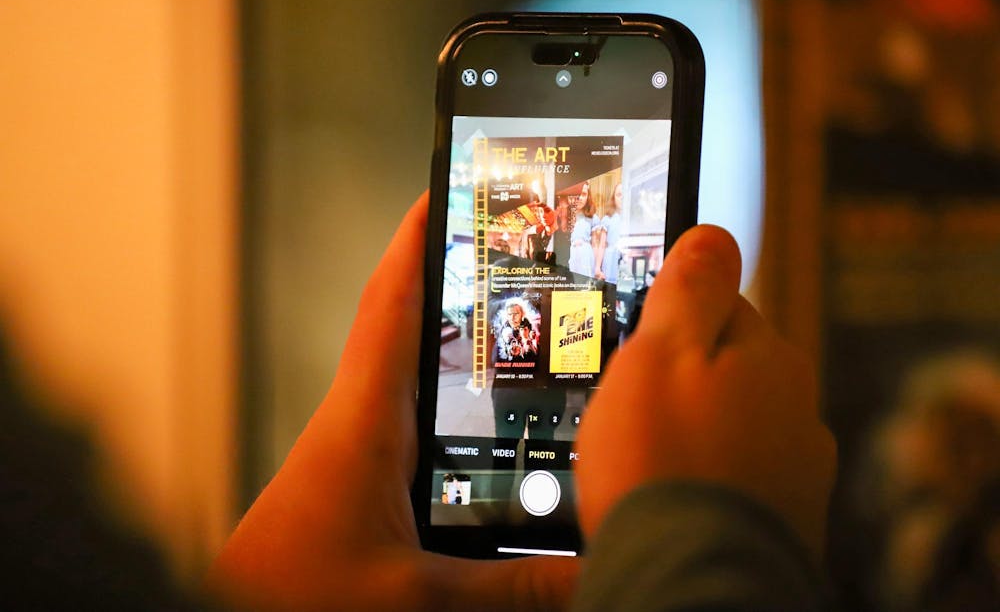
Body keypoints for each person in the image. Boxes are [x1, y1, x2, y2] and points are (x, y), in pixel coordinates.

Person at [207, 192, 836, 611]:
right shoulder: (520, 284)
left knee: (541, 444)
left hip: (538, 387)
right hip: (526, 388)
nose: (531, 243)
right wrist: (691, 542)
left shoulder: (560, 280)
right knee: (527, 446)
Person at [568, 181, 600, 278]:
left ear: (588, 196)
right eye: (577, 194)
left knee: (586, 284)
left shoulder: (592, 218)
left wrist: (596, 267)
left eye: (584, 194)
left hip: (586, 254)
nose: (580, 198)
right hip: (572, 253)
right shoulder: (567, 216)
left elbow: (595, 244)